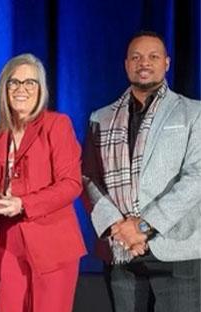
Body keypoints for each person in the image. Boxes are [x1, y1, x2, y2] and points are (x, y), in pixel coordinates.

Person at [83, 31, 201, 311]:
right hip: (122, 251)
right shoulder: (100, 117)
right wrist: (120, 229)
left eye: (153, 57)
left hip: (177, 252)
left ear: (167, 63)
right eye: (136, 57)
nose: (143, 63)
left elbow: (197, 177)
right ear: (126, 64)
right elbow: (89, 178)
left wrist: (145, 227)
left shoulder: (193, 113)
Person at [0, 53, 87, 312]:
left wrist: (23, 204)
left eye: (30, 82)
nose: (22, 89)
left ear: (41, 89)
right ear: (3, 89)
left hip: (52, 244)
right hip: (8, 243)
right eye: (14, 83)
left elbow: (71, 183)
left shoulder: (57, 125)